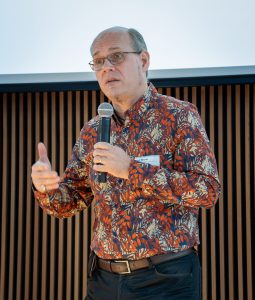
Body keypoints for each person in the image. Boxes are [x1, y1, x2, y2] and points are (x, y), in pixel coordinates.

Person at [31, 26, 221, 300]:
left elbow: (207, 191)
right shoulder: (93, 130)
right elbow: (70, 204)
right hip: (104, 281)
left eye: (116, 56)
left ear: (143, 61)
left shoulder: (179, 115)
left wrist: (131, 170)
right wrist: (47, 189)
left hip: (166, 280)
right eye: (98, 61)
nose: (106, 67)